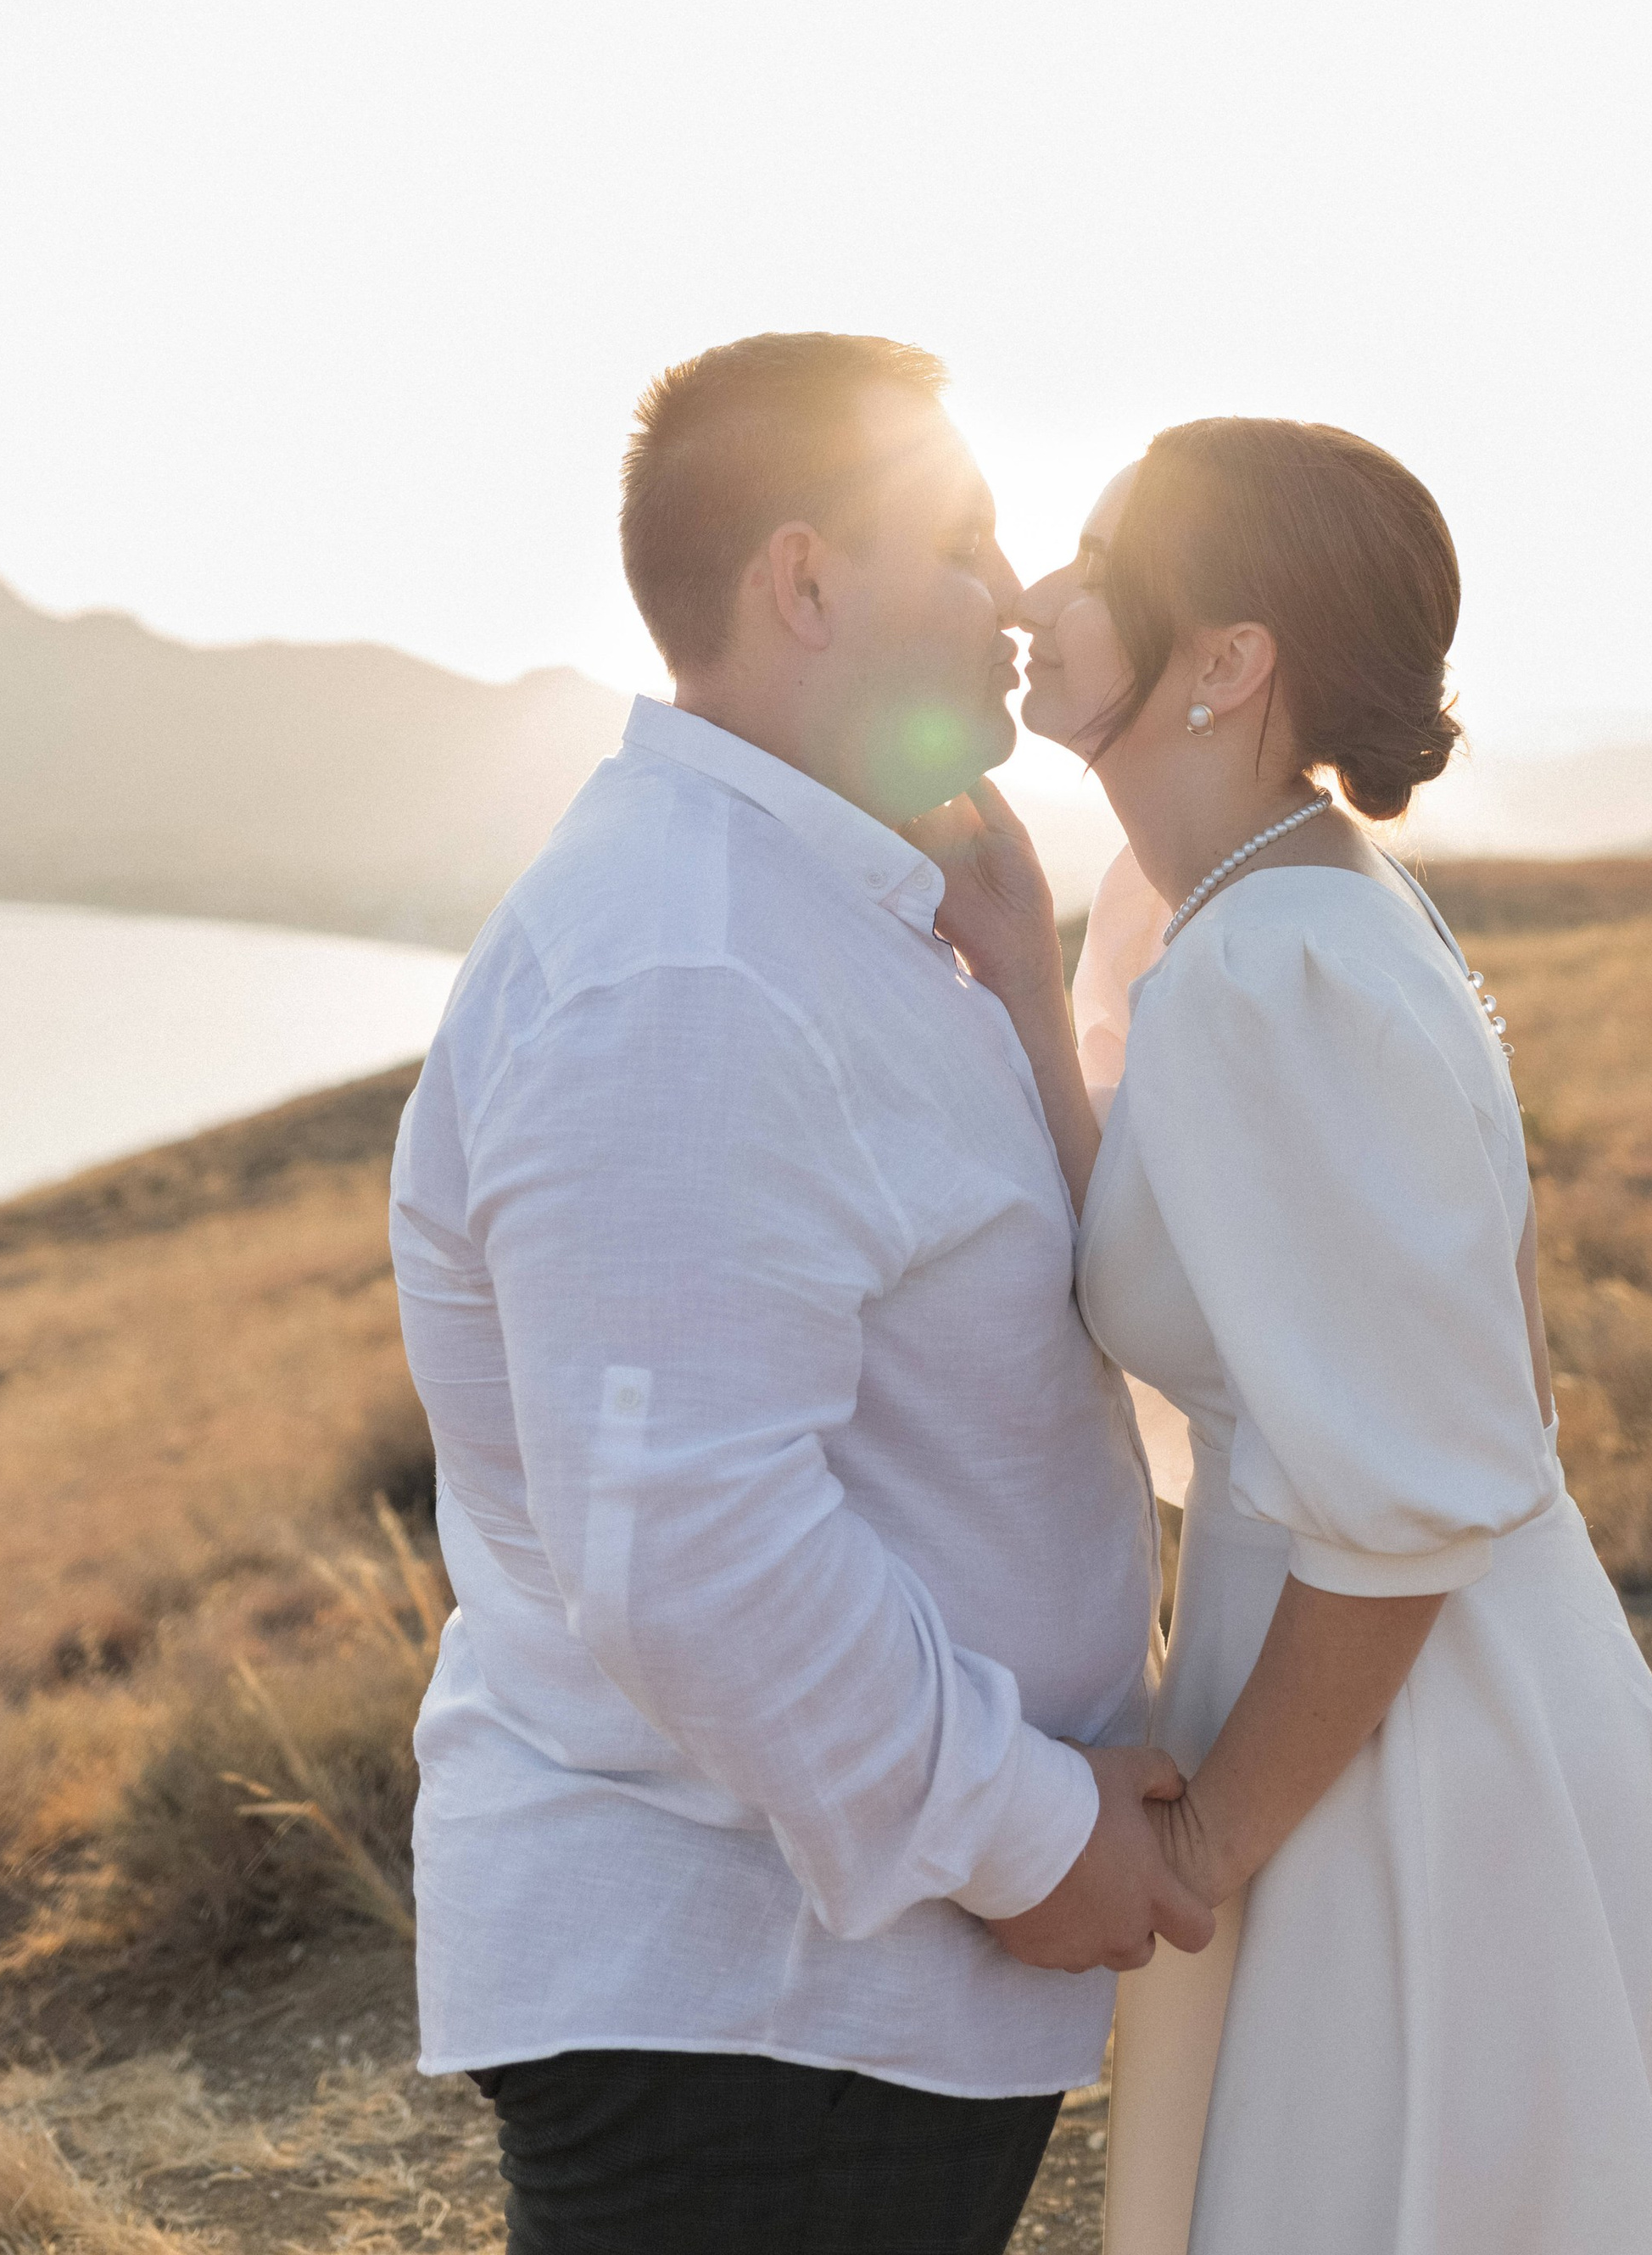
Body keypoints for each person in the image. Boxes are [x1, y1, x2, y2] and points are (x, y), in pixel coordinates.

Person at [389, 332, 1209, 2255]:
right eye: (962, 539)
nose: (1010, 590)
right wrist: (1032, 1832)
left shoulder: (807, 922)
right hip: (754, 2016)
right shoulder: (690, 970)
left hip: (831, 2003)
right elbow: (686, 1540)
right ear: (805, 580)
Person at [924, 416, 1652, 2255]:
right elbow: (1181, 1257)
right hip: (1383, 1685)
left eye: (1097, 558)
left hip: (1403, 1754)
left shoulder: (1267, 969)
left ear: (1227, 661)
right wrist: (1014, 955)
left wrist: (1206, 1848)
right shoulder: (1234, 910)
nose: (1041, 595)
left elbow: (1396, 1511)